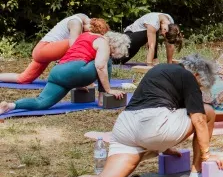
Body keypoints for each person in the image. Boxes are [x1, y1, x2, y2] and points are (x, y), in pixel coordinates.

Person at [23, 55, 223, 177]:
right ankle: (197, 169)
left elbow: (160, 105)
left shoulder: (160, 71)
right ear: (197, 75)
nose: (198, 89)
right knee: (207, 112)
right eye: (200, 86)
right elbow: (198, 120)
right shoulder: (189, 77)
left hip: (125, 128)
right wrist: (207, 154)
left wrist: (166, 147)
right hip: (153, 127)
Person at [0, 27, 130, 114]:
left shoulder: (86, 35)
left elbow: (78, 55)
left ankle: (10, 105)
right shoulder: (104, 42)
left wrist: (78, 83)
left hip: (58, 72)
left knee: (42, 102)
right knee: (105, 61)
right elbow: (100, 67)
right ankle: (103, 98)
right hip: (75, 71)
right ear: (114, 45)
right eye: (113, 52)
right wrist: (109, 90)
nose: (111, 53)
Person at [0, 14, 94, 84]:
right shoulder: (76, 22)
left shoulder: (83, 19)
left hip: (44, 52)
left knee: (23, 79)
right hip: (44, 49)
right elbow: (74, 48)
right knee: (79, 44)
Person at [118, 12, 183, 65]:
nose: (162, 35)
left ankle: (114, 60)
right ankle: (154, 59)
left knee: (119, 61)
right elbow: (151, 46)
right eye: (163, 34)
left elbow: (170, 45)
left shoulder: (170, 22)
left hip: (136, 44)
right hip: (128, 36)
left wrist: (169, 64)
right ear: (165, 30)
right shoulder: (153, 23)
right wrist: (149, 65)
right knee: (153, 31)